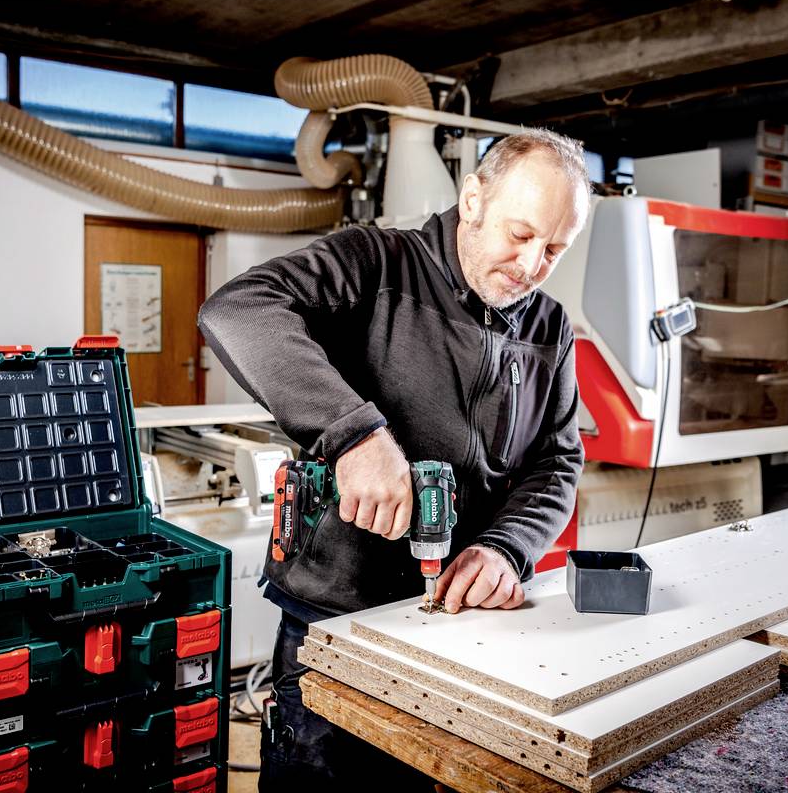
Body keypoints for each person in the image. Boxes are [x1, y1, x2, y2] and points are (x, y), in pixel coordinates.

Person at [197, 128, 590, 789]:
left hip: (458, 625)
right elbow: (236, 310)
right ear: (472, 201)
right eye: (520, 236)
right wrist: (354, 434)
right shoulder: (375, 263)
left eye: (554, 248)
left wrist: (506, 548)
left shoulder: (548, 326)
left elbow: (558, 463)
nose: (531, 266)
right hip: (337, 619)